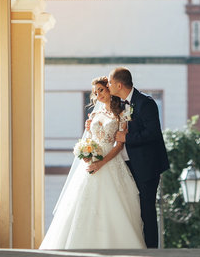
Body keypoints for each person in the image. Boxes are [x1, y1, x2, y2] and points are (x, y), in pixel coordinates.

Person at [39, 76, 146, 249]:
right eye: (95, 93)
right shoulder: (94, 114)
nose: (98, 95)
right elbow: (89, 138)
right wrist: (87, 152)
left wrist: (100, 163)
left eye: (101, 90)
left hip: (110, 162)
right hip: (91, 162)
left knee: (113, 206)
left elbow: (119, 145)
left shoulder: (122, 113)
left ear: (109, 88)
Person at [108, 67, 170, 248]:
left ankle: (151, 251)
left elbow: (153, 133)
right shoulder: (119, 103)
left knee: (147, 211)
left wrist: (126, 138)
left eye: (111, 82)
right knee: (131, 210)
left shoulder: (146, 103)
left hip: (146, 167)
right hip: (126, 165)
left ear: (119, 85)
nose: (109, 85)